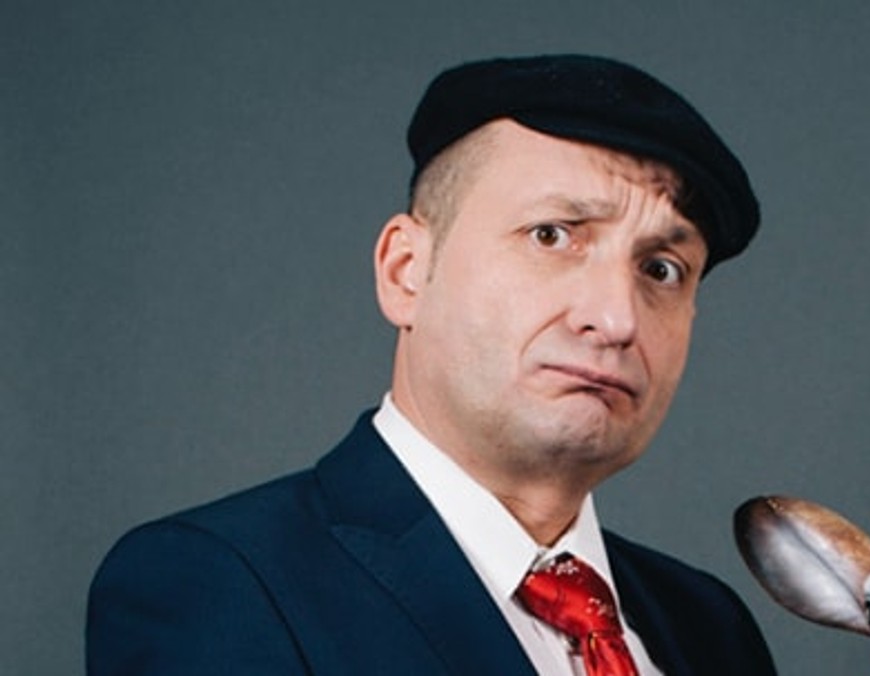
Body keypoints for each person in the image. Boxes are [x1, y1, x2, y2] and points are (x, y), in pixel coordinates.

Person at [87, 54, 776, 675]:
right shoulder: (218, 583)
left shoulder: (710, 629)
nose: (617, 319)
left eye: (662, 268)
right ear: (406, 271)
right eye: (551, 235)